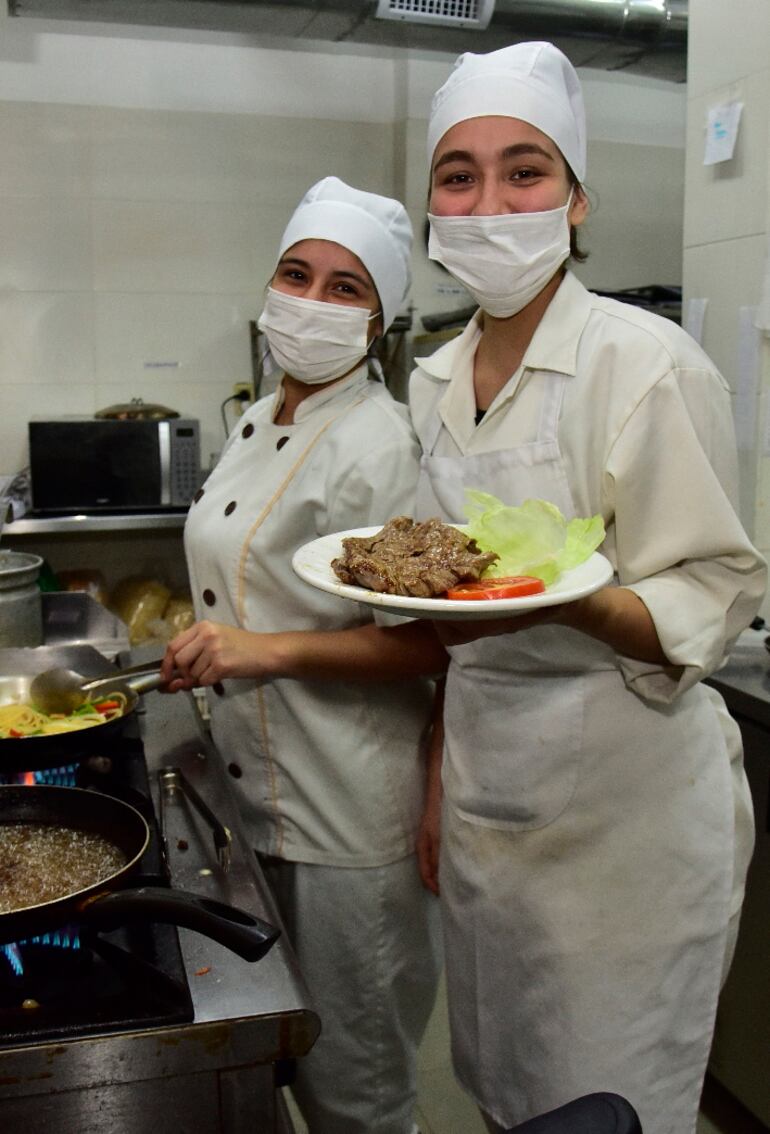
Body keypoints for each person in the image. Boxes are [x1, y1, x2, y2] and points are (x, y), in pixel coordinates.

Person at [163, 44, 766, 1134]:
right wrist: (441, 775)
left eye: (522, 171)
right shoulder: (439, 378)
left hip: (618, 818)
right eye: (457, 175)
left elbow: (709, 598)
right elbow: (446, 603)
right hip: (493, 797)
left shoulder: (648, 364)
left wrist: (569, 597)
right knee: (501, 1096)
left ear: (575, 196)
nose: (487, 204)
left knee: (603, 1107)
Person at [162, 176, 442, 1134]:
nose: (311, 303)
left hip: (345, 813)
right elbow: (243, 580)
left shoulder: (380, 441)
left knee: (356, 1093)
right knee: (285, 1061)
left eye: (345, 288)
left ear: (380, 323)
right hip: (255, 795)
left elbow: (425, 645)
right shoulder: (259, 417)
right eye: (297, 274)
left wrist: (256, 649)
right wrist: (211, 640)